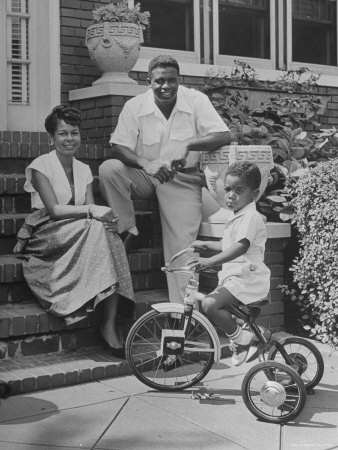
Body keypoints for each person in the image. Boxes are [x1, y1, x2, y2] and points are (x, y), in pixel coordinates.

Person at [99, 54, 231, 304]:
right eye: (159, 81)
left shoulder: (195, 100)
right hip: (146, 176)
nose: (166, 87)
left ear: (179, 80)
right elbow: (118, 147)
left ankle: (183, 313)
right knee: (109, 169)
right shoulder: (135, 106)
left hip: (181, 180)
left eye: (171, 81)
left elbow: (223, 135)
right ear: (149, 81)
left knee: (182, 246)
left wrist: (190, 144)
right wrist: (145, 163)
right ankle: (129, 228)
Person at [13, 105, 134, 359]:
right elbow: (54, 210)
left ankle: (109, 321)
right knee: (100, 230)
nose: (70, 139)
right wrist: (93, 210)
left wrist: (102, 218)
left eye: (74, 133)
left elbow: (87, 211)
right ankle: (106, 319)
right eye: (63, 134)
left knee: (107, 232)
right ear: (52, 138)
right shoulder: (40, 167)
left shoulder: (83, 169)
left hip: (80, 228)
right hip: (46, 231)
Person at [187, 161, 271, 366]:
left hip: (247, 278)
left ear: (253, 194)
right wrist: (206, 244)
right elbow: (229, 244)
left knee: (209, 303)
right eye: (228, 189)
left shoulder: (250, 217)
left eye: (239, 190)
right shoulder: (238, 215)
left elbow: (240, 247)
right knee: (224, 310)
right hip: (237, 277)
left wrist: (208, 262)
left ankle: (242, 339)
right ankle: (254, 333)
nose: (231, 195)